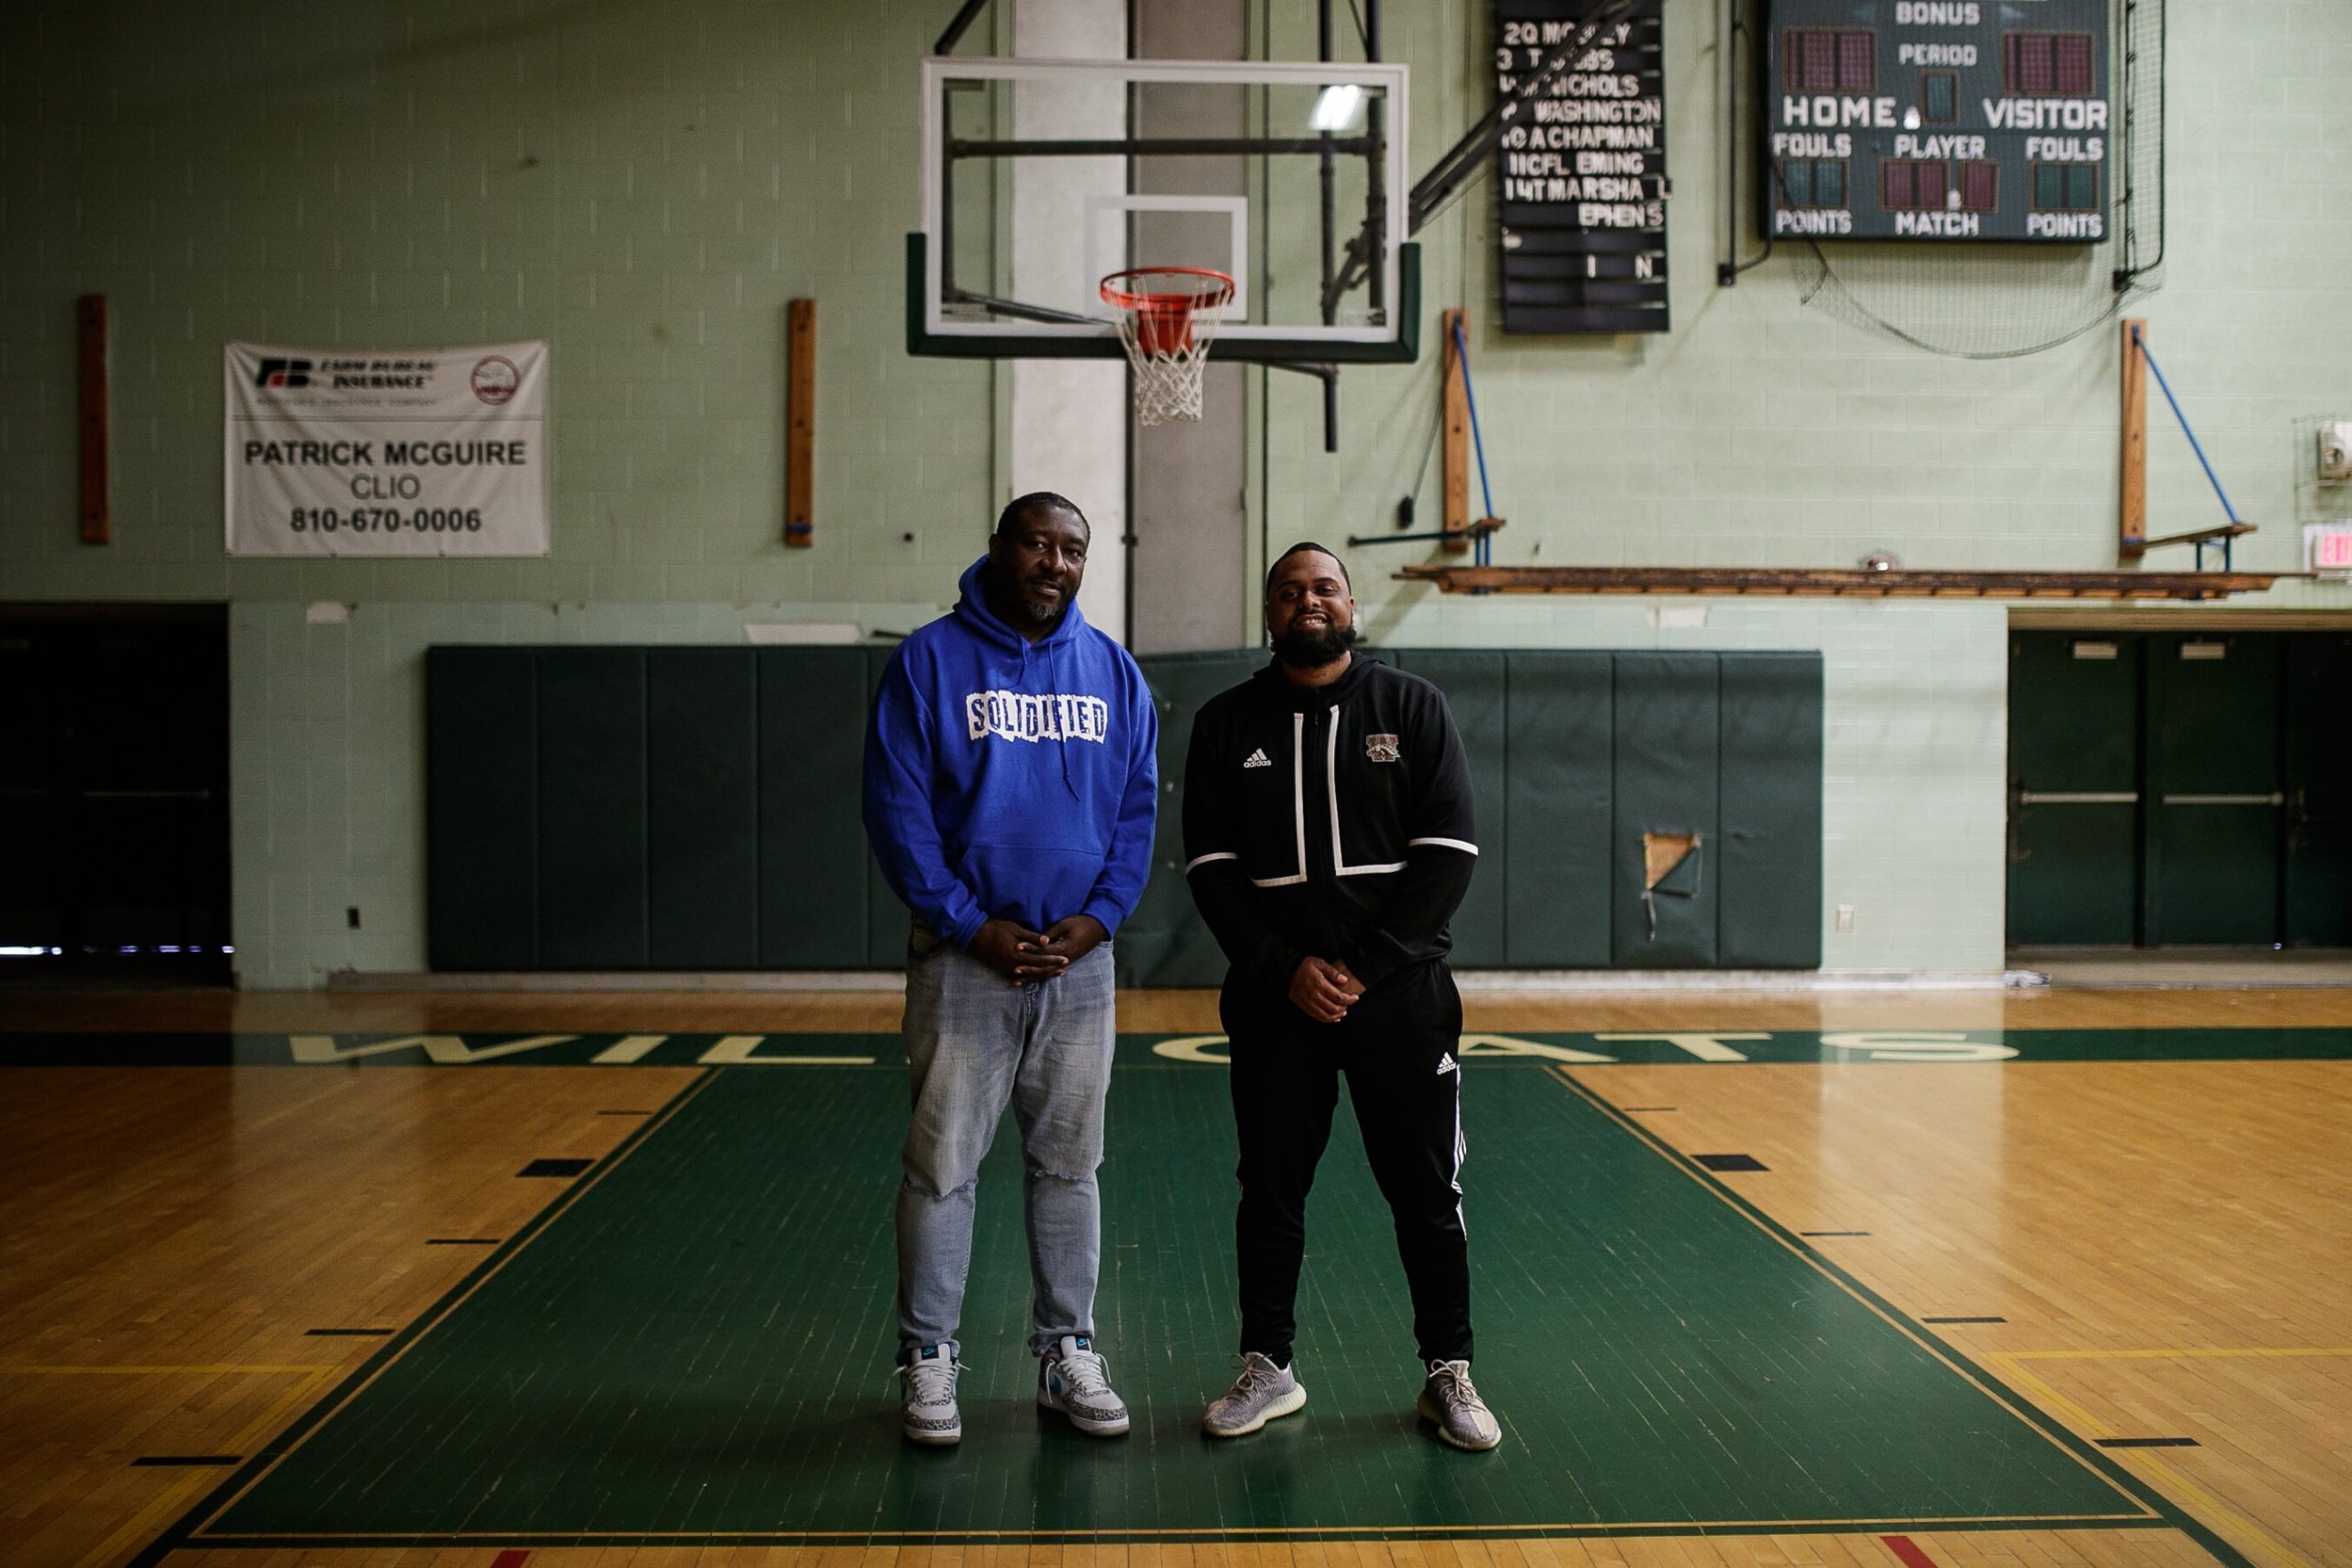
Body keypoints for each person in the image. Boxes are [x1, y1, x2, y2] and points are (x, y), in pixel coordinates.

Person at [1180, 542, 1499, 1451]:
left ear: (1351, 605)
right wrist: (1283, 966)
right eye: (1289, 592)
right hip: (1275, 1002)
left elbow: (1449, 855)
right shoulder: (1224, 722)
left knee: (1426, 1190)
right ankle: (1267, 1366)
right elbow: (1211, 868)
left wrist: (1362, 966)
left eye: (1324, 587)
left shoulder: (1412, 706)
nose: (1308, 601)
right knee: (1270, 1188)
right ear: (1269, 613)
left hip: (1400, 998)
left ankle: (1448, 1370)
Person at [862, 491, 1159, 1446]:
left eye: (1072, 549)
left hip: (1078, 968)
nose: (1054, 563)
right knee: (941, 1169)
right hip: (965, 963)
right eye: (1037, 543)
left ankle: (1067, 1349)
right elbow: (898, 810)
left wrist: (1099, 919)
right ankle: (929, 1355)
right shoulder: (928, 660)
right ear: (998, 548)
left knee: (1070, 1168)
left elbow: (1137, 811)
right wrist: (965, 922)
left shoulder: (1112, 670)